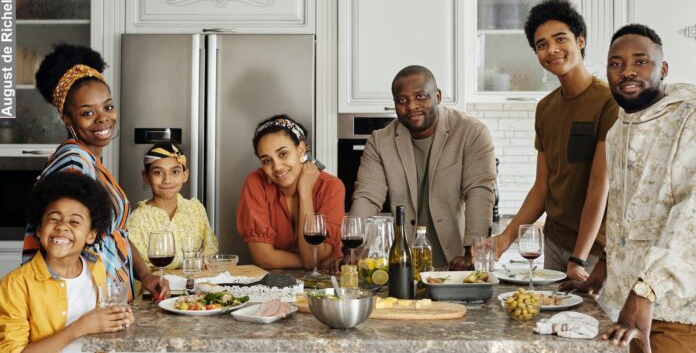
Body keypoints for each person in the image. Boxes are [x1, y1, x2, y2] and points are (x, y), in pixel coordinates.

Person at [562, 24, 696, 353]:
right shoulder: (619, 129)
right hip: (629, 307)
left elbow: (691, 218)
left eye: (641, 62)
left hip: (679, 311)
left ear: (663, 69)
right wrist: (605, 268)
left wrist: (645, 291)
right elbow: (628, 212)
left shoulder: (690, 119)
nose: (627, 72)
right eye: (616, 64)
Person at [25, 43, 169, 301]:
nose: (103, 118)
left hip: (111, 299)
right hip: (85, 304)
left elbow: (115, 234)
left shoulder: (91, 161)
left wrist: (145, 275)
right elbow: (62, 243)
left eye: (108, 107)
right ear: (68, 120)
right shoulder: (73, 164)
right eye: (87, 113)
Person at [494, 0, 618, 281]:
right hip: (553, 243)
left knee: (591, 324)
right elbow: (542, 188)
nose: (551, 50)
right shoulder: (546, 108)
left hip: (594, 251)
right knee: (552, 323)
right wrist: (505, 239)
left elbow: (600, 187)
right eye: (541, 45)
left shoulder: (608, 102)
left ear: (581, 41)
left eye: (560, 39)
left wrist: (578, 258)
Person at [349, 65, 496, 270]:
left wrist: (472, 251)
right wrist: (352, 248)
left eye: (420, 96)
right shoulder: (380, 141)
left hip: (456, 260)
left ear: (437, 96)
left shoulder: (471, 132)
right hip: (402, 262)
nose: (411, 106)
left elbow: (479, 192)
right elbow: (367, 196)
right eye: (402, 100)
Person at [0, 172, 134, 353]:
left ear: (90, 235)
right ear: (39, 228)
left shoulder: (96, 268)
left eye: (74, 222)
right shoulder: (15, 285)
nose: (62, 227)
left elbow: (100, 325)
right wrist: (79, 327)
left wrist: (117, 319)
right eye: (54, 219)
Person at [237, 115, 345, 269]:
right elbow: (263, 257)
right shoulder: (256, 183)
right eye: (267, 160)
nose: (277, 167)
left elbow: (312, 254)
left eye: (283, 154)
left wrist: (305, 193)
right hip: (276, 285)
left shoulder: (331, 187)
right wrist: (315, 264)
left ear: (301, 149)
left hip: (328, 284)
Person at [128, 142, 218, 269]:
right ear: (146, 176)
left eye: (174, 172)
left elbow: (209, 250)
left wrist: (204, 262)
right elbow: (138, 269)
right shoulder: (137, 220)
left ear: (185, 175)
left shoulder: (195, 210)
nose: (167, 180)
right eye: (158, 173)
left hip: (195, 285)